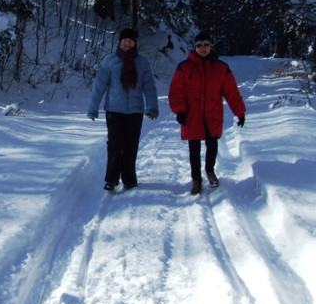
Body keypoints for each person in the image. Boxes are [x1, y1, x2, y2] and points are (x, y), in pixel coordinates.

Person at [168, 31, 246, 194]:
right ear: (194, 47)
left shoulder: (221, 68)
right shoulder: (184, 67)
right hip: (192, 114)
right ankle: (196, 180)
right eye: (199, 45)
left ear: (211, 46)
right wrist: (180, 110)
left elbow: (232, 93)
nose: (203, 48)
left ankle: (210, 170)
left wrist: (240, 112)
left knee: (212, 144)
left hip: (212, 113)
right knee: (194, 148)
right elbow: (176, 92)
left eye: (206, 45)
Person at [88, 28, 159, 191]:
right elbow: (99, 86)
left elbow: (149, 88)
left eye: (130, 40)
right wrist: (93, 109)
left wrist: (152, 107)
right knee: (114, 144)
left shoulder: (142, 63)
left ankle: (129, 178)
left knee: (131, 144)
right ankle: (111, 179)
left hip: (135, 111)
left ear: (135, 43)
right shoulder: (110, 61)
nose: (127, 43)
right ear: (120, 42)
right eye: (124, 40)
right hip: (114, 110)